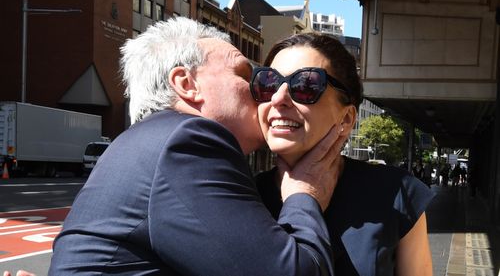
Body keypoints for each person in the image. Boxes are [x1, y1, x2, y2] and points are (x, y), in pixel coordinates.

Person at [44, 18, 343, 275]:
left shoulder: (149, 140)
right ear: (187, 84)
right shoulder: (189, 141)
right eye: (245, 75)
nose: (264, 92)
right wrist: (305, 193)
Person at [252, 33, 435, 275]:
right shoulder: (239, 195)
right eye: (268, 83)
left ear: (346, 119)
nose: (278, 98)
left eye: (305, 85)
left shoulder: (397, 194)